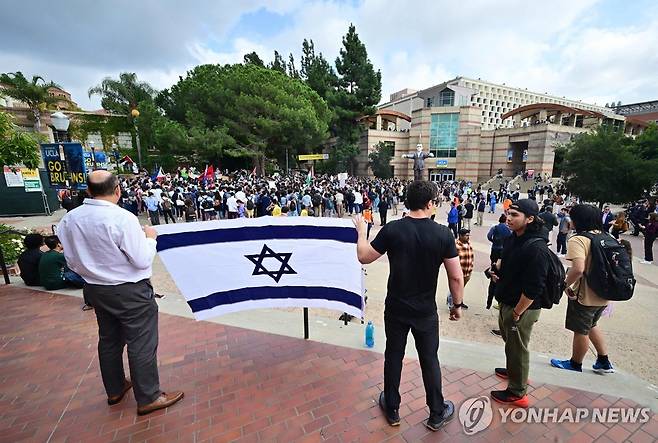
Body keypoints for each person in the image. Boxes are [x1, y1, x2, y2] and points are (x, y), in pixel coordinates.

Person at [57, 170, 183, 416]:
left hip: (95, 289)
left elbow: (71, 260)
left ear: (88, 192)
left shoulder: (70, 219)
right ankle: (148, 396)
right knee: (141, 341)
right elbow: (141, 260)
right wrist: (150, 239)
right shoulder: (122, 218)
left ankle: (115, 389)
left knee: (109, 339)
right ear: (117, 190)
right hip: (129, 290)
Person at [353, 180, 464, 432]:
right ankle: (436, 412)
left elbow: (364, 256)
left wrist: (361, 231)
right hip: (425, 311)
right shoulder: (443, 234)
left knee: (394, 356)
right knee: (429, 359)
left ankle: (392, 408)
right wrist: (457, 305)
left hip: (396, 307)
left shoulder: (393, 229)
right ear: (429, 204)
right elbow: (456, 276)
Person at [489, 199, 548, 407]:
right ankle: (515, 371)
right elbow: (506, 262)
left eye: (515, 215)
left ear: (530, 219)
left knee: (518, 348)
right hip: (508, 300)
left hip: (522, 307)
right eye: (508, 213)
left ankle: (517, 391)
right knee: (512, 344)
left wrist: (516, 313)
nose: (509, 218)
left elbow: (534, 288)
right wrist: (494, 271)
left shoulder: (536, 248)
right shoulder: (514, 237)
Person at [550, 204, 615, 374]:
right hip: (604, 293)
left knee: (581, 330)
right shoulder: (607, 236)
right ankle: (603, 360)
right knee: (592, 324)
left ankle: (575, 363)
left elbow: (578, 269)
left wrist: (564, 284)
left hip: (585, 294)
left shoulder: (579, 239)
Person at [447, 229, 472, 310]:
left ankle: (460, 302)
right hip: (459, 271)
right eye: (466, 235)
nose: (468, 237)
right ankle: (451, 305)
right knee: (454, 288)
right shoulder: (455, 245)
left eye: (468, 235)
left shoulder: (468, 244)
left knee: (461, 288)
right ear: (461, 236)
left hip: (467, 271)